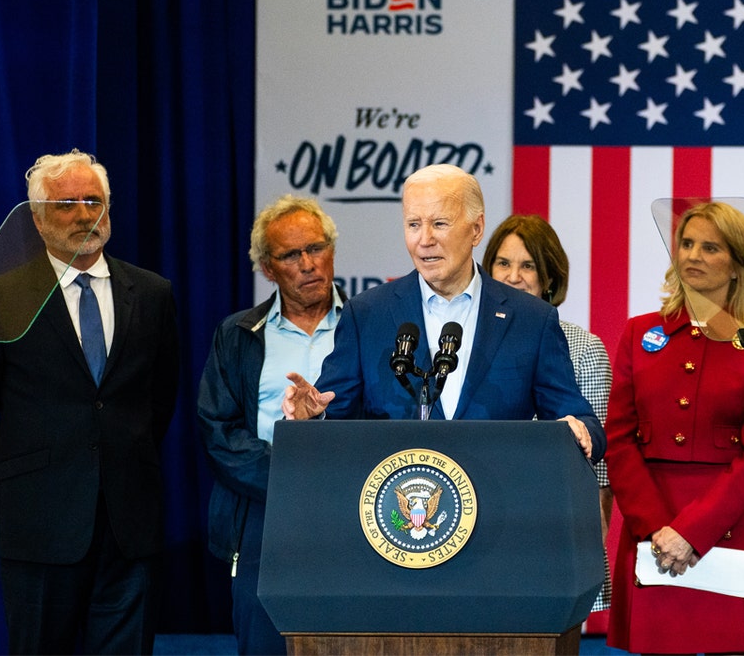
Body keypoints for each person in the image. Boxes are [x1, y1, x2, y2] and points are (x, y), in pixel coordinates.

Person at [0, 149, 180, 654]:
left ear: (109, 210)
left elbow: (159, 401)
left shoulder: (153, 293)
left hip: (129, 528)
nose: (83, 215)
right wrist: (9, 491)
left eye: (93, 201)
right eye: (66, 204)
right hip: (38, 527)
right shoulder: (1, 296)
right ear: (37, 218)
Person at [281, 163, 603, 462]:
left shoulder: (532, 319)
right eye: (413, 225)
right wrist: (312, 418)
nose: (424, 240)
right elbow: (334, 419)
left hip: (499, 512)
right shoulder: (366, 315)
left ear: (476, 229)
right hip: (398, 512)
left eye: (439, 224)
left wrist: (579, 429)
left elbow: (581, 419)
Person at [604, 201, 744, 654]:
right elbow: (619, 440)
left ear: (737, 264)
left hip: (730, 524)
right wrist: (655, 528)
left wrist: (691, 532)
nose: (693, 255)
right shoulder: (639, 333)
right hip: (653, 525)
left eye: (710, 247)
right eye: (687, 244)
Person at [197, 196, 346, 655]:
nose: (308, 264)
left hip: (352, 508)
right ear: (267, 267)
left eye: (316, 248)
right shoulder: (239, 333)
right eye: (290, 255)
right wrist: (288, 477)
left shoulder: (368, 326)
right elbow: (219, 432)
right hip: (264, 512)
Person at [481, 213, 614, 612]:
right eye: (503, 263)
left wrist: (587, 558)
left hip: (551, 540)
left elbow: (598, 472)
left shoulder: (583, 348)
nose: (513, 276)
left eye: (528, 266)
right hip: (477, 529)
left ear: (550, 279)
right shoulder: (466, 341)